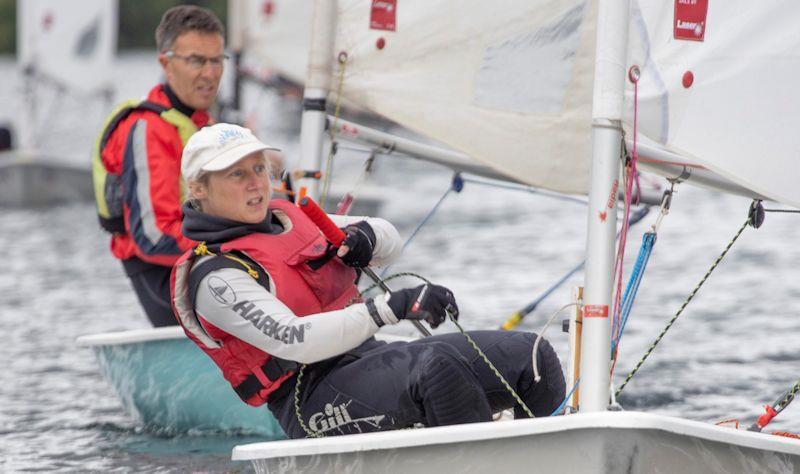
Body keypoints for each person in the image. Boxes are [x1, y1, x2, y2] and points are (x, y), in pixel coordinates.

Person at [170, 123, 566, 438]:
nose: (256, 182)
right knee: (438, 370)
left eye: (258, 168)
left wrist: (364, 238)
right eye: (237, 174)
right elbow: (296, 339)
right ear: (198, 189)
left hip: (368, 357)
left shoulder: (289, 219)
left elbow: (388, 237)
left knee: (533, 359)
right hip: (309, 398)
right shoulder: (215, 278)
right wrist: (386, 309)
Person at [92, 6, 226, 327]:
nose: (210, 74)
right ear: (166, 63)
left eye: (217, 60)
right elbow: (154, 238)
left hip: (199, 262)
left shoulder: (198, 124)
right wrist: (238, 243)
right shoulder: (148, 128)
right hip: (162, 274)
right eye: (196, 61)